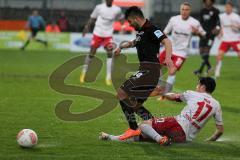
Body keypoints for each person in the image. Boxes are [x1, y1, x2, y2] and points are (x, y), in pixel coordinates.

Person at [100, 77, 224, 146]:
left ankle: (160, 139)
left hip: (177, 124)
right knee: (143, 135)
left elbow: (174, 97)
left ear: (202, 86)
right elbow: (220, 131)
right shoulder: (216, 105)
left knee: (143, 125)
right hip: (184, 138)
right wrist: (209, 141)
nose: (197, 87)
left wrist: (162, 92)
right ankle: (111, 138)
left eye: (198, 85)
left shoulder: (192, 94)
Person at [113, 6, 173, 141]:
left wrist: (168, 58)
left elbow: (167, 41)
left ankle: (133, 129)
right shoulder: (141, 32)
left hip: (149, 71)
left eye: (129, 21)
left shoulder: (152, 28)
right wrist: (121, 47)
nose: (129, 24)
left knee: (122, 93)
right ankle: (156, 130)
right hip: (146, 71)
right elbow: (135, 42)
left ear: (136, 18)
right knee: (135, 105)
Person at [158, 2, 206, 93]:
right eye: (183, 9)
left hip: (182, 53)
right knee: (157, 67)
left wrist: (197, 32)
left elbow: (203, 35)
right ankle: (159, 87)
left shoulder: (195, 23)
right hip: (170, 49)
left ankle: (166, 93)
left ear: (190, 11)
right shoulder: (174, 20)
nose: (184, 12)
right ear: (180, 10)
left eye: (186, 10)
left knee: (172, 71)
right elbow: (165, 32)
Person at [80, 0, 123, 85]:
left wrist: (123, 23)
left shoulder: (117, 9)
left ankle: (108, 77)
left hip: (108, 35)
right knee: (92, 53)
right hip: (98, 33)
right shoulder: (99, 7)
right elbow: (92, 19)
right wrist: (86, 27)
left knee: (110, 52)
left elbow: (121, 18)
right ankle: (83, 72)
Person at [194, 0, 221, 76]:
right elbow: (200, 22)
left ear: (212, 1)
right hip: (203, 34)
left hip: (211, 36)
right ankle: (208, 67)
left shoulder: (216, 11)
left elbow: (219, 23)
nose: (208, 1)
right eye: (207, 0)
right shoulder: (202, 11)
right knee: (201, 52)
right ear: (205, 1)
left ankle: (200, 70)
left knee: (206, 52)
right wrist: (198, 30)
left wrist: (217, 29)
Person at [214, 1, 240, 78]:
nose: (227, 8)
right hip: (225, 40)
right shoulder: (221, 16)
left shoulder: (236, 17)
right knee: (219, 55)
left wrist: (235, 27)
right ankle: (217, 72)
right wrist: (219, 33)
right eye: (226, 7)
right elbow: (220, 26)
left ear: (231, 8)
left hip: (236, 39)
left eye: (229, 7)